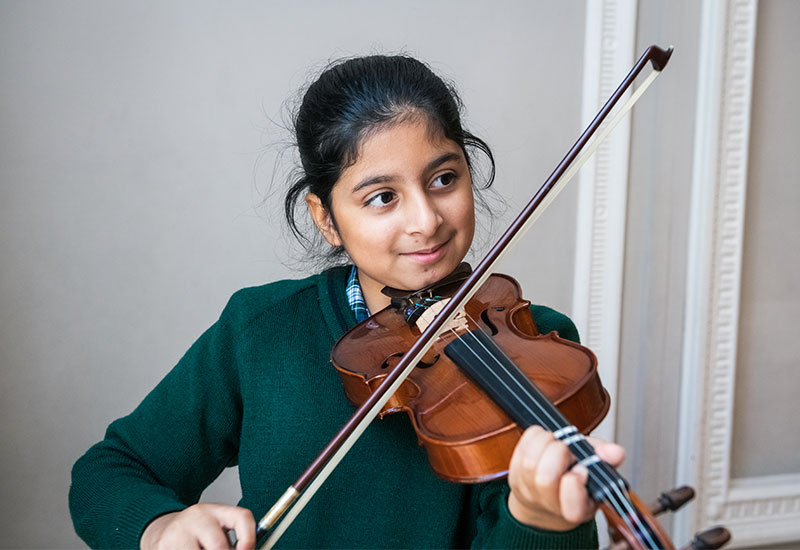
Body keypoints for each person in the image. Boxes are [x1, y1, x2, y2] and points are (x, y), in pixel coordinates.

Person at [69, 54, 624, 549]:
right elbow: (110, 471)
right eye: (382, 197)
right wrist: (158, 527)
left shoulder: (535, 342)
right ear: (326, 218)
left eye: (444, 179)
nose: (425, 220)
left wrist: (539, 520)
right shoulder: (260, 330)